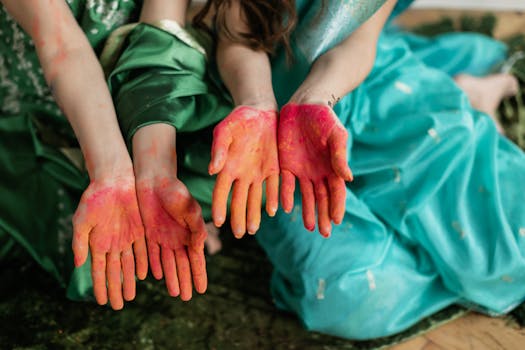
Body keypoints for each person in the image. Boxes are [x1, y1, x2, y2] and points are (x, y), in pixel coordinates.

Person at [188, 0, 524, 339]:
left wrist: (314, 100)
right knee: (351, 297)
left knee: (513, 251)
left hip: (364, 92)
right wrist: (258, 104)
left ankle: (462, 95)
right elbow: (239, 40)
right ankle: (464, 93)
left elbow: (358, 41)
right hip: (273, 140)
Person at [0, 0, 208, 310]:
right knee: (84, 267)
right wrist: (110, 172)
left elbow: (159, 44)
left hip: (131, 96)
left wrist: (156, 171)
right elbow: (63, 46)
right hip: (40, 104)